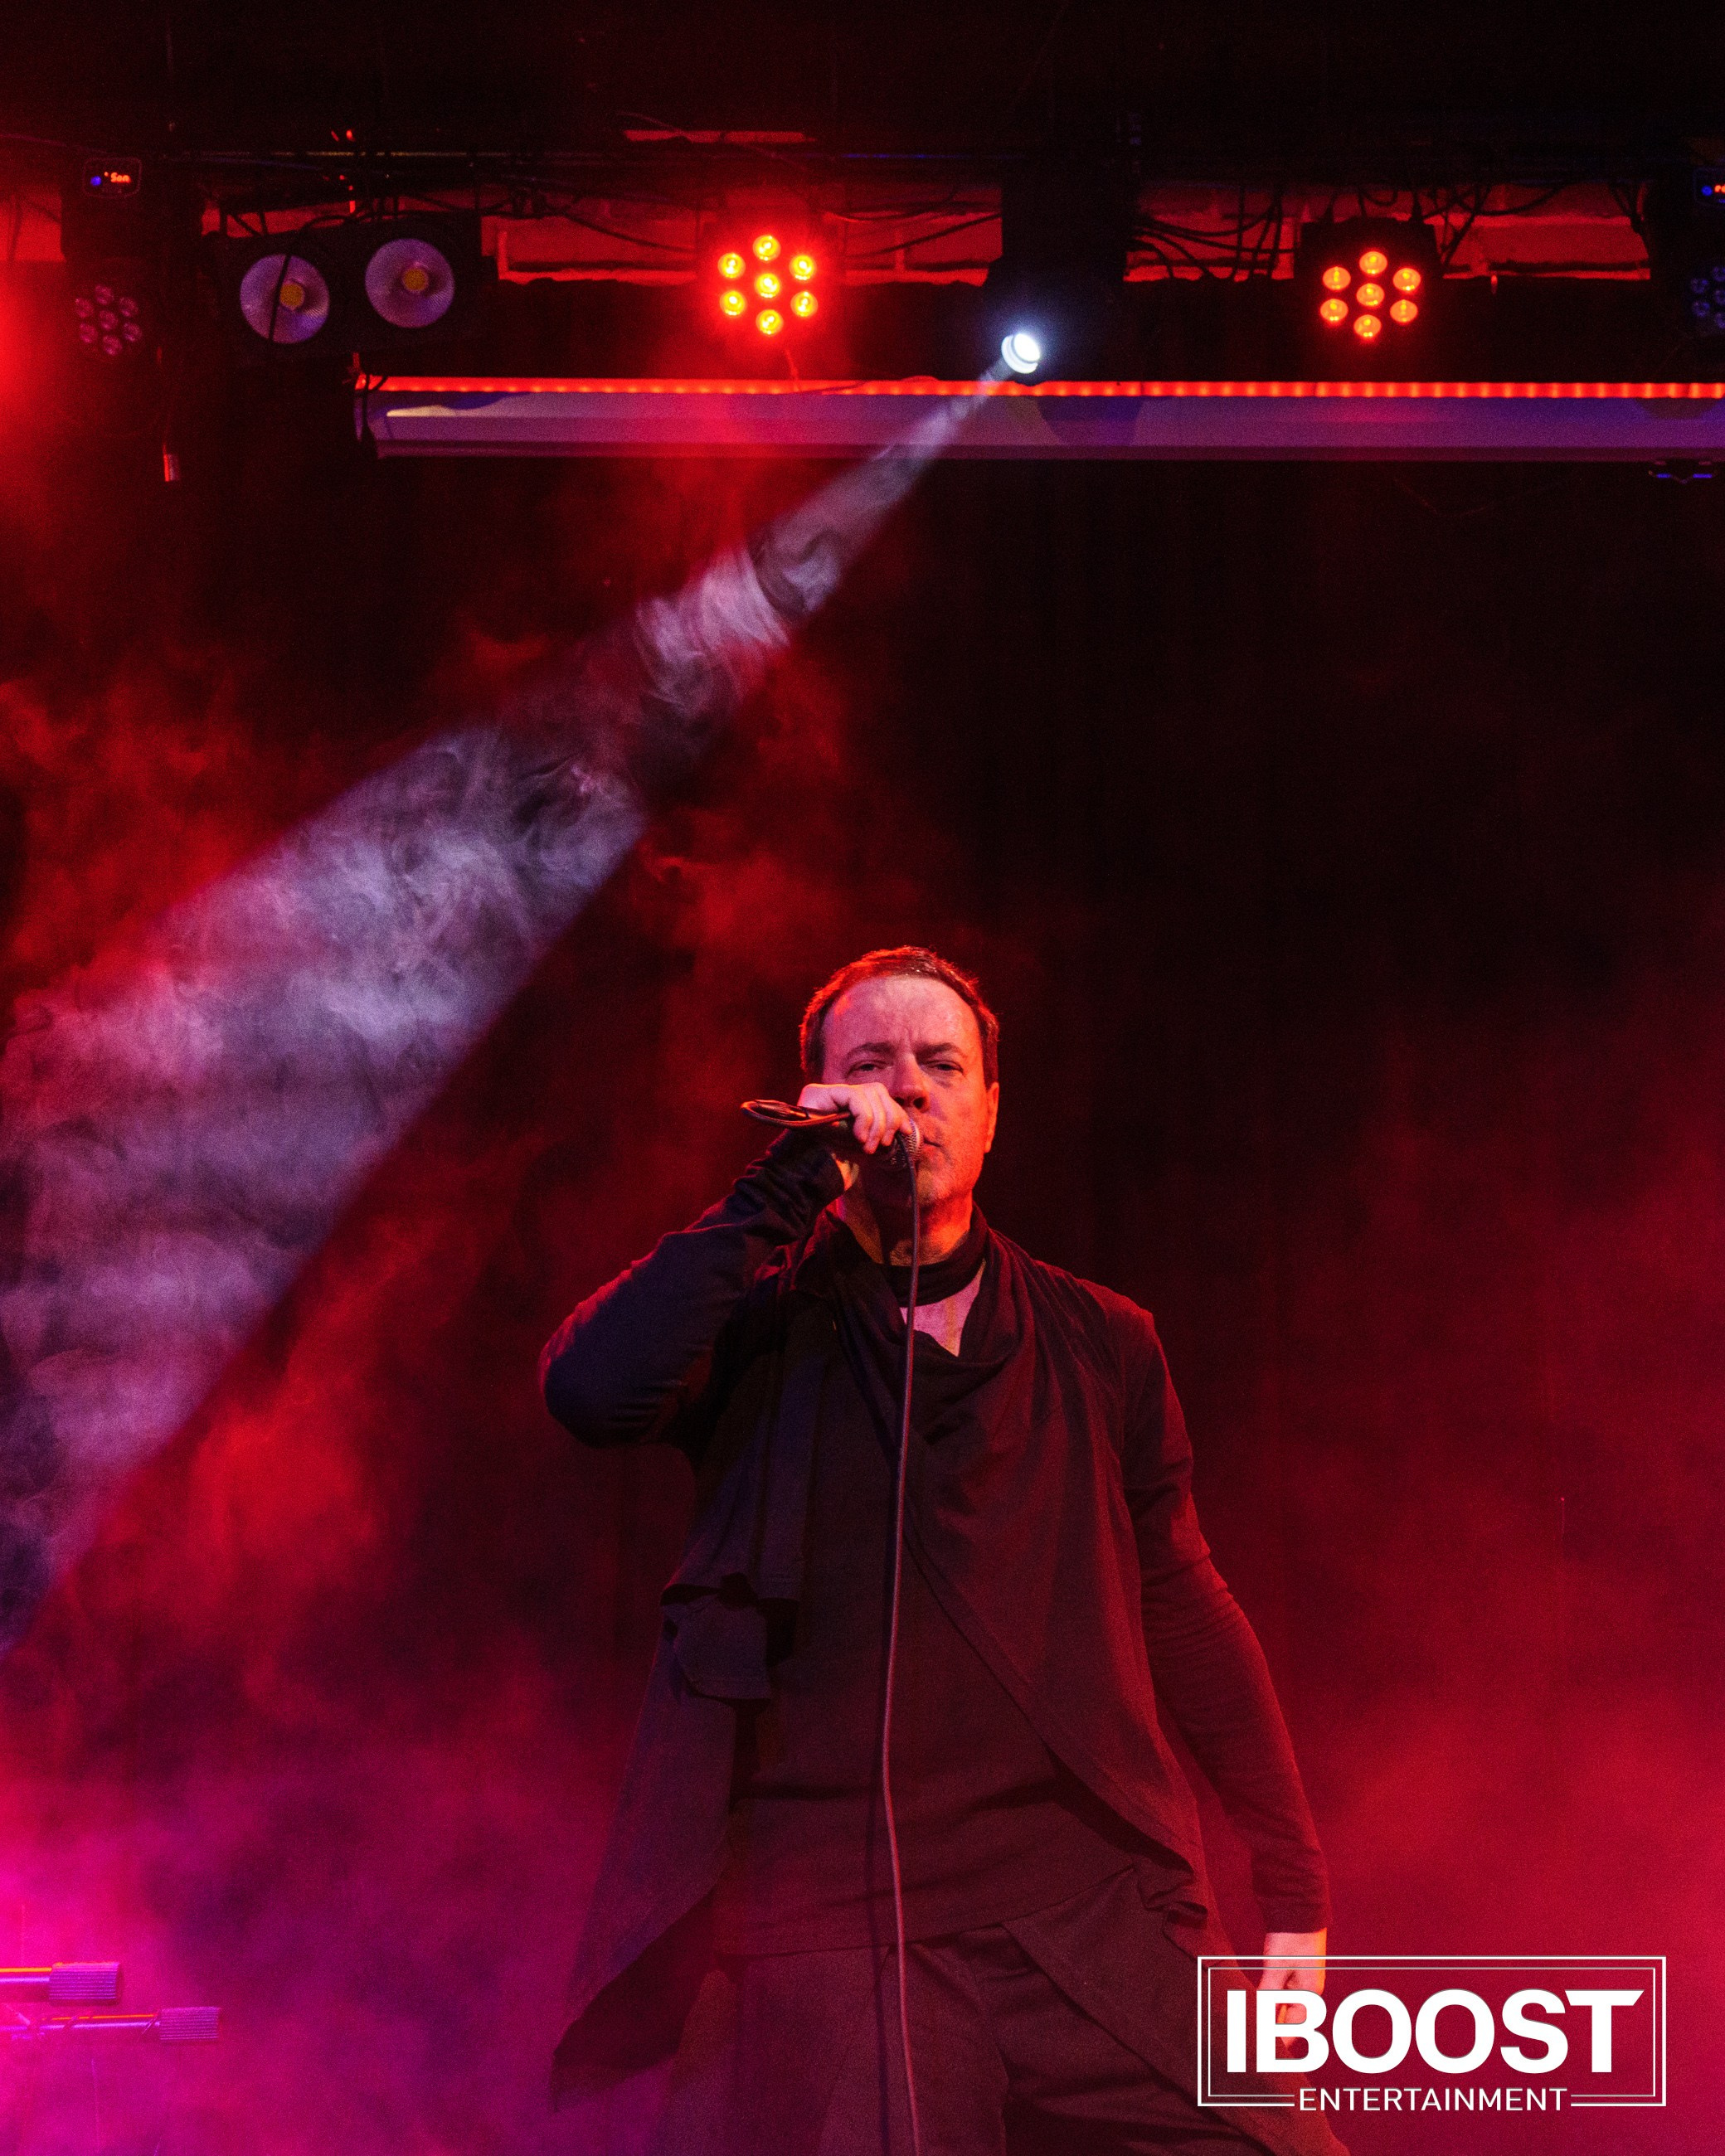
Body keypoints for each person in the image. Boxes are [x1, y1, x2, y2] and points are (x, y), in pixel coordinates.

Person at [541, 946, 1346, 2156]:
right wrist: (788, 1185)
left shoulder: (1103, 1342)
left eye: (940, 1065)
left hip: (1090, 1896)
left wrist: (1293, 1877)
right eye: (868, 1067)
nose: (906, 1091)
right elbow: (591, 1392)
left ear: (990, 1111)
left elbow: (1183, 1600)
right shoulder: (750, 1327)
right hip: (838, 1920)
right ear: (814, 1103)